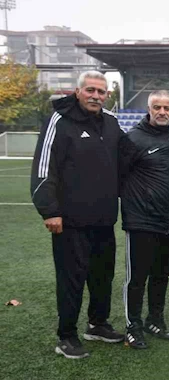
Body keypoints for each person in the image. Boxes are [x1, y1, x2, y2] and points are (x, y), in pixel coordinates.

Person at [30, 70, 125, 358]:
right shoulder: (59, 120)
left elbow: (128, 154)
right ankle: (66, 336)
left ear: (107, 95)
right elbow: (45, 169)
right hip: (70, 221)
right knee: (71, 279)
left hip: (104, 218)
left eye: (101, 91)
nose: (96, 96)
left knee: (102, 276)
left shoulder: (111, 122)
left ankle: (97, 324)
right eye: (91, 90)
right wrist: (50, 210)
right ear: (78, 91)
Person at [118, 90, 169, 349]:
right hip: (141, 222)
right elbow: (118, 177)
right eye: (156, 107)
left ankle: (155, 319)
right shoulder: (132, 139)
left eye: (166, 108)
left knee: (161, 274)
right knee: (137, 278)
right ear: (149, 109)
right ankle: (132, 326)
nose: (162, 112)